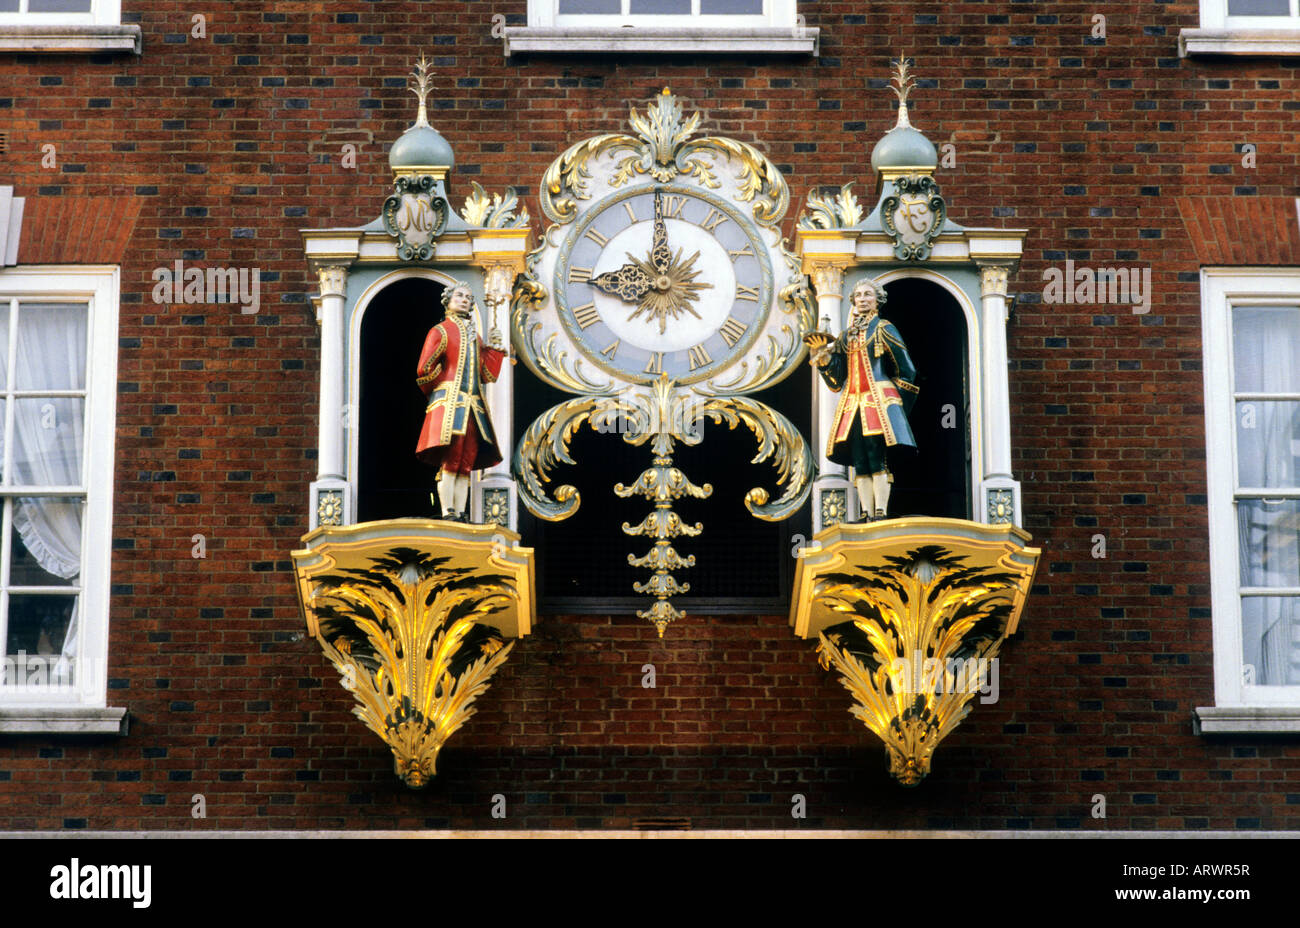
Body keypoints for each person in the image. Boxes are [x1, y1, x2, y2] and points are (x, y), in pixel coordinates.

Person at [807, 278, 918, 522]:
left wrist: (898, 409)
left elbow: (907, 370)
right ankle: (866, 512)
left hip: (879, 400)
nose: (862, 299)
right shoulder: (846, 336)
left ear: (877, 300)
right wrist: (824, 360)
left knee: (875, 454)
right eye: (858, 295)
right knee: (859, 458)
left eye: (868, 294)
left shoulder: (884, 328)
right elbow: (837, 381)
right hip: (852, 403)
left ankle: (881, 511)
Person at [415, 282, 507, 522]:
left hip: (472, 406)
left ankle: (461, 512)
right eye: (459, 295)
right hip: (450, 404)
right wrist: (440, 390)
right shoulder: (441, 331)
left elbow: (487, 375)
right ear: (448, 301)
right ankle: (449, 511)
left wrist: (495, 349)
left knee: (466, 460)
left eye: (468, 296)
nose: (464, 300)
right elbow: (424, 369)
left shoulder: (474, 336)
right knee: (451, 458)